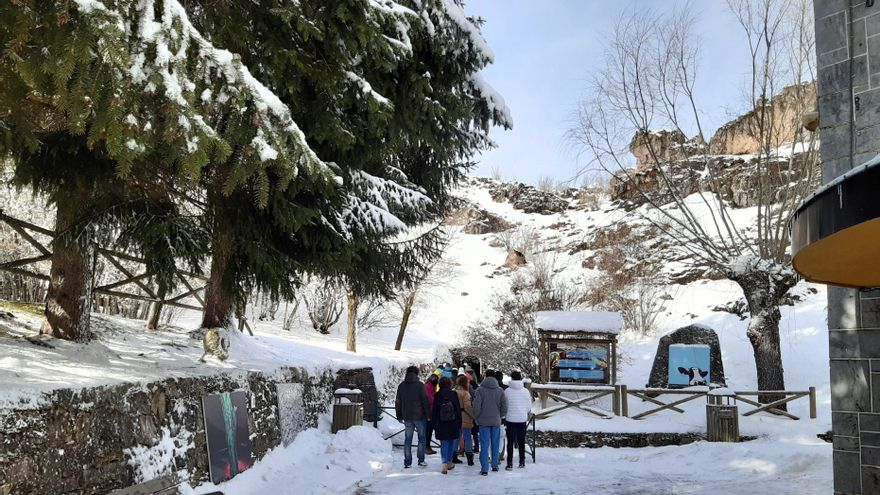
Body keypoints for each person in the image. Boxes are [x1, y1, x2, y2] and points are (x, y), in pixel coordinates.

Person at [472, 370, 507, 476]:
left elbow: (476, 407)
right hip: (496, 421)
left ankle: (484, 469)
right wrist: (499, 416)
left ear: (485, 377)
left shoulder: (480, 390)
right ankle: (495, 465)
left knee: (484, 445)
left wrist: (476, 417)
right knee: (495, 444)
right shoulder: (500, 390)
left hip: (483, 422)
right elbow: (504, 407)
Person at [395, 365, 430, 468]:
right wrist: (428, 414)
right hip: (420, 416)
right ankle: (421, 460)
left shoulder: (401, 386)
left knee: (408, 439)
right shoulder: (420, 385)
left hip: (407, 416)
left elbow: (398, 402)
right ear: (417, 373)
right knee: (422, 439)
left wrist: (399, 415)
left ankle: (407, 462)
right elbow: (425, 401)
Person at [432, 376, 462, 474]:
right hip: (453, 422)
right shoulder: (453, 394)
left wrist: (434, 424)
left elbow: (435, 410)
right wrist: (459, 422)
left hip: (441, 422)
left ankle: (444, 463)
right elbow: (457, 409)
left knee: (443, 443)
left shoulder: (437, 395)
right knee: (451, 442)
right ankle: (449, 461)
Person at [504, 371, 533, 470]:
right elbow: (529, 406)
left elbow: (505, 406)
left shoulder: (507, 391)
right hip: (521, 419)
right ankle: (522, 461)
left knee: (510, 442)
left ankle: (510, 463)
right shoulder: (525, 391)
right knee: (521, 441)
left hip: (510, 419)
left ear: (511, 378)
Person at [454, 374, 475, 466]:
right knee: (467, 437)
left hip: (455, 417)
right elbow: (468, 407)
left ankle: (454, 456)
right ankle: (469, 457)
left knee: (456, 437)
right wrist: (473, 415)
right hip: (465, 416)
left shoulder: (453, 391)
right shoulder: (465, 393)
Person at [424, 373, 439, 455]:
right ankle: (427, 447)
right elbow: (429, 399)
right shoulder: (428, 386)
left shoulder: (430, 386)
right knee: (428, 430)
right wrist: (436, 399)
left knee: (429, 430)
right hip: (429, 411)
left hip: (431, 411)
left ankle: (427, 446)